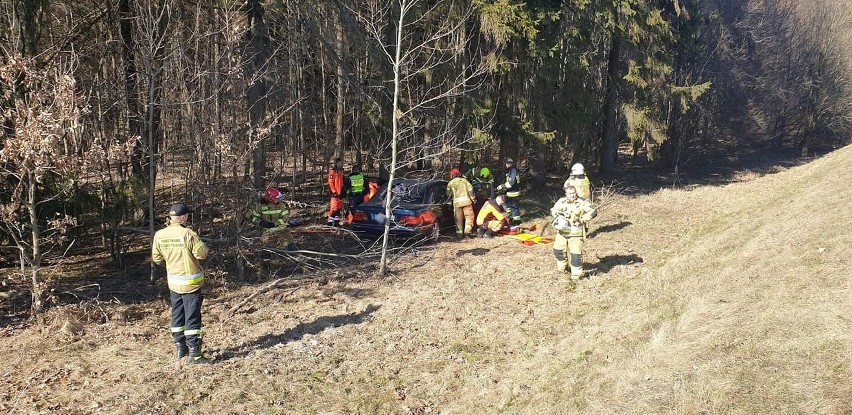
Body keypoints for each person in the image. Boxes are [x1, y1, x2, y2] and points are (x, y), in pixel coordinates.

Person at [151, 203, 211, 364]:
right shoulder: (188, 234)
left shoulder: (160, 235)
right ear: (183, 217)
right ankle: (195, 355)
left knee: (177, 316)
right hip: (191, 283)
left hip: (173, 283)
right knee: (192, 317)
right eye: (187, 215)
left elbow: (156, 258)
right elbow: (202, 253)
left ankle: (180, 349)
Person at [550, 184, 597, 282]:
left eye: (574, 193)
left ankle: (576, 276)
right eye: (570, 193)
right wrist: (557, 216)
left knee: (575, 255)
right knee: (558, 250)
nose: (573, 195)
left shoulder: (583, 202)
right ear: (566, 194)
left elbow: (593, 211)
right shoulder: (561, 201)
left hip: (576, 233)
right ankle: (562, 269)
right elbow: (553, 210)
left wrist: (582, 219)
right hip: (562, 232)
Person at [251, 187, 297, 252]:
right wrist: (260, 223)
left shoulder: (282, 205)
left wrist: (275, 224)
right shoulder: (260, 206)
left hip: (281, 229)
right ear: (271, 199)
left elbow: (285, 217)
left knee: (290, 243)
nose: (279, 200)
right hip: (267, 231)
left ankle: (295, 255)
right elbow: (254, 218)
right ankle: (266, 259)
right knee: (266, 247)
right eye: (277, 199)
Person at [446, 169, 476, 238]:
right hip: (467, 202)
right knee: (469, 217)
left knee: (458, 219)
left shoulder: (450, 183)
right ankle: (467, 233)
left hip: (456, 204)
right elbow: (471, 191)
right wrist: (473, 199)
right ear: (459, 174)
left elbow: (448, 195)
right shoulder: (465, 181)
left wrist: (449, 204)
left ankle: (459, 235)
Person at [496, 158, 522, 225]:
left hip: (513, 192)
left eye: (507, 163)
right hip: (510, 192)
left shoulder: (513, 170)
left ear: (510, 163)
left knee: (513, 207)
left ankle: (517, 222)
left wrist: (502, 186)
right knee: (508, 206)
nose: (506, 165)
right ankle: (509, 219)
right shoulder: (510, 170)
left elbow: (511, 183)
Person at [327, 158, 345, 226]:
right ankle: (329, 223)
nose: (342, 164)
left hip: (340, 193)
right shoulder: (333, 171)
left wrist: (343, 191)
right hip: (335, 193)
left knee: (338, 208)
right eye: (340, 163)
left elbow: (342, 182)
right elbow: (330, 183)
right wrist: (333, 192)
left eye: (342, 163)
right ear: (337, 163)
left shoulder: (341, 172)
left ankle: (336, 222)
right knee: (334, 208)